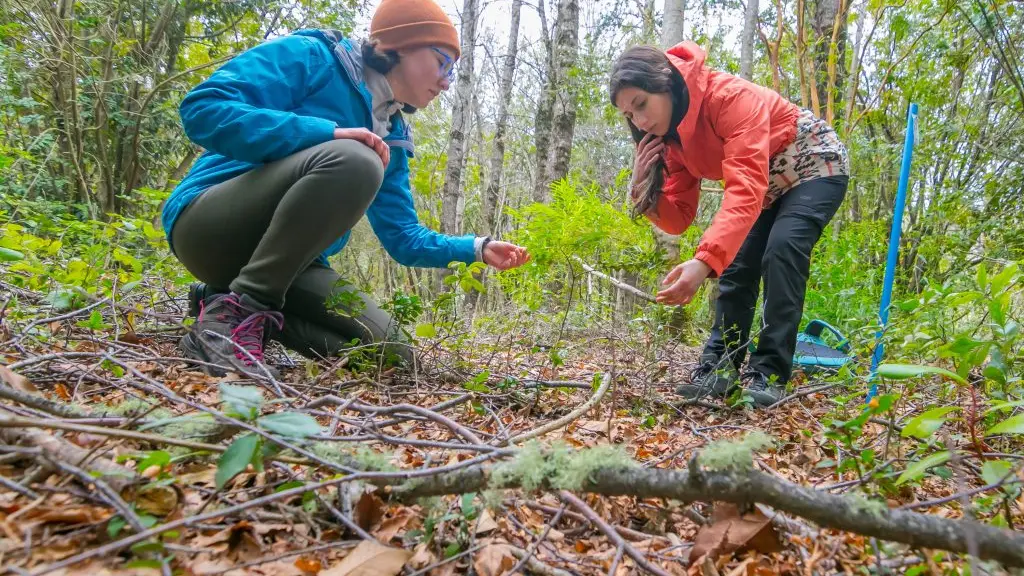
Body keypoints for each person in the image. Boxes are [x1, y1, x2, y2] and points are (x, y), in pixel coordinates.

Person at [164, 0, 529, 378]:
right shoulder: (314, 57)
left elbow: (403, 238)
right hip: (209, 225)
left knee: (395, 357)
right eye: (443, 62)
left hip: (290, 266)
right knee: (356, 158)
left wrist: (477, 248)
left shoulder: (394, 134)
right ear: (401, 44)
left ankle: (220, 307)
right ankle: (242, 314)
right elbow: (203, 108)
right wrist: (327, 133)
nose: (446, 80)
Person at [608, 42, 848, 406]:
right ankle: (718, 369)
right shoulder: (670, 140)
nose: (639, 121)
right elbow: (679, 219)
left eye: (641, 103)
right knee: (735, 266)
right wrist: (643, 187)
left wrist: (704, 262)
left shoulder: (728, 96)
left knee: (781, 249)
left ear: (665, 81)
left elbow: (745, 187)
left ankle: (768, 372)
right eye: (629, 114)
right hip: (765, 188)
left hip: (813, 163)